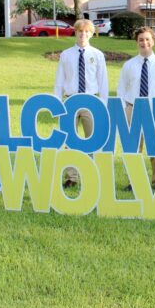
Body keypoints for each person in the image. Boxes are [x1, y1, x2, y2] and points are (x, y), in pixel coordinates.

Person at [117, 26, 155, 190]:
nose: (144, 42)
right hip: (133, 109)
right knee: (133, 149)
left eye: (147, 39)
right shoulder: (129, 65)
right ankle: (134, 182)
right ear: (137, 43)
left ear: (153, 41)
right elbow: (121, 90)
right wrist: (123, 112)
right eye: (141, 40)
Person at [54, 19, 108, 188]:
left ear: (91, 34)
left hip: (90, 101)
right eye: (80, 31)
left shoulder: (97, 55)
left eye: (86, 32)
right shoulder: (66, 54)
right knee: (70, 141)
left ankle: (92, 173)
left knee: (92, 139)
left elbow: (103, 81)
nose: (83, 34)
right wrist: (57, 103)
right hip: (70, 100)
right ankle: (72, 177)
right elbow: (59, 80)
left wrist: (103, 104)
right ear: (75, 32)